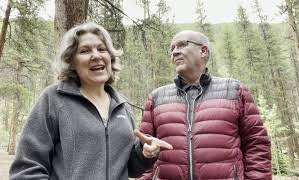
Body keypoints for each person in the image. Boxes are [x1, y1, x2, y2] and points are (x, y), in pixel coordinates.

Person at [9, 22, 172, 180]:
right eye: (85, 51)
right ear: (71, 62)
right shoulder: (53, 99)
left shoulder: (122, 105)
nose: (96, 55)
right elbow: (26, 168)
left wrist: (144, 153)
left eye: (102, 49)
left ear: (110, 57)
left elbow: (128, 168)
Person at [136, 30, 272, 180]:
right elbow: (144, 150)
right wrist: (145, 152)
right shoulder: (156, 98)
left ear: (203, 51)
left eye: (181, 45)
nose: (174, 52)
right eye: (172, 48)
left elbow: (257, 144)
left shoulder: (234, 91)